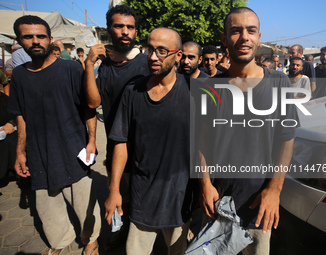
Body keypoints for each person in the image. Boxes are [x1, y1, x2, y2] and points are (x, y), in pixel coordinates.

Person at [198, 7, 297, 255]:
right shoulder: (209, 88)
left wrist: (274, 190)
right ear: (224, 39)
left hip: (259, 207)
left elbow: (287, 139)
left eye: (251, 30)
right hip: (217, 205)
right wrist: (205, 184)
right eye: (236, 31)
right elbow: (200, 142)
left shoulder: (279, 83)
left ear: (258, 36)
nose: (244, 37)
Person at [8, 15, 101, 255]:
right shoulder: (18, 75)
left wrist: (91, 141)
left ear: (51, 39)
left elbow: (88, 109)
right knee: (48, 206)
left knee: (84, 204)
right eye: (28, 37)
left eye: (41, 36)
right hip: (38, 153)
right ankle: (60, 241)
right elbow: (21, 116)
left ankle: (90, 240)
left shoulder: (70, 69)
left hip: (73, 149)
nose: (35, 41)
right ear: (20, 41)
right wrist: (20, 151)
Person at [105, 27, 193, 255]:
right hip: (142, 197)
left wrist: (205, 187)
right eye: (150, 49)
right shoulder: (132, 91)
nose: (153, 57)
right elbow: (120, 141)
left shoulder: (195, 92)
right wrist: (114, 189)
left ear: (178, 56)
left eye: (162, 51)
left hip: (180, 199)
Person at [84, 4, 149, 248]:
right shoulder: (105, 67)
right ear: (109, 30)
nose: (125, 32)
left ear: (136, 32)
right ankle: (120, 235)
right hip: (116, 146)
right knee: (119, 195)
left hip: (146, 150)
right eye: (119, 26)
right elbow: (93, 102)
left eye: (130, 27)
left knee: (142, 199)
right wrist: (89, 64)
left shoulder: (146, 64)